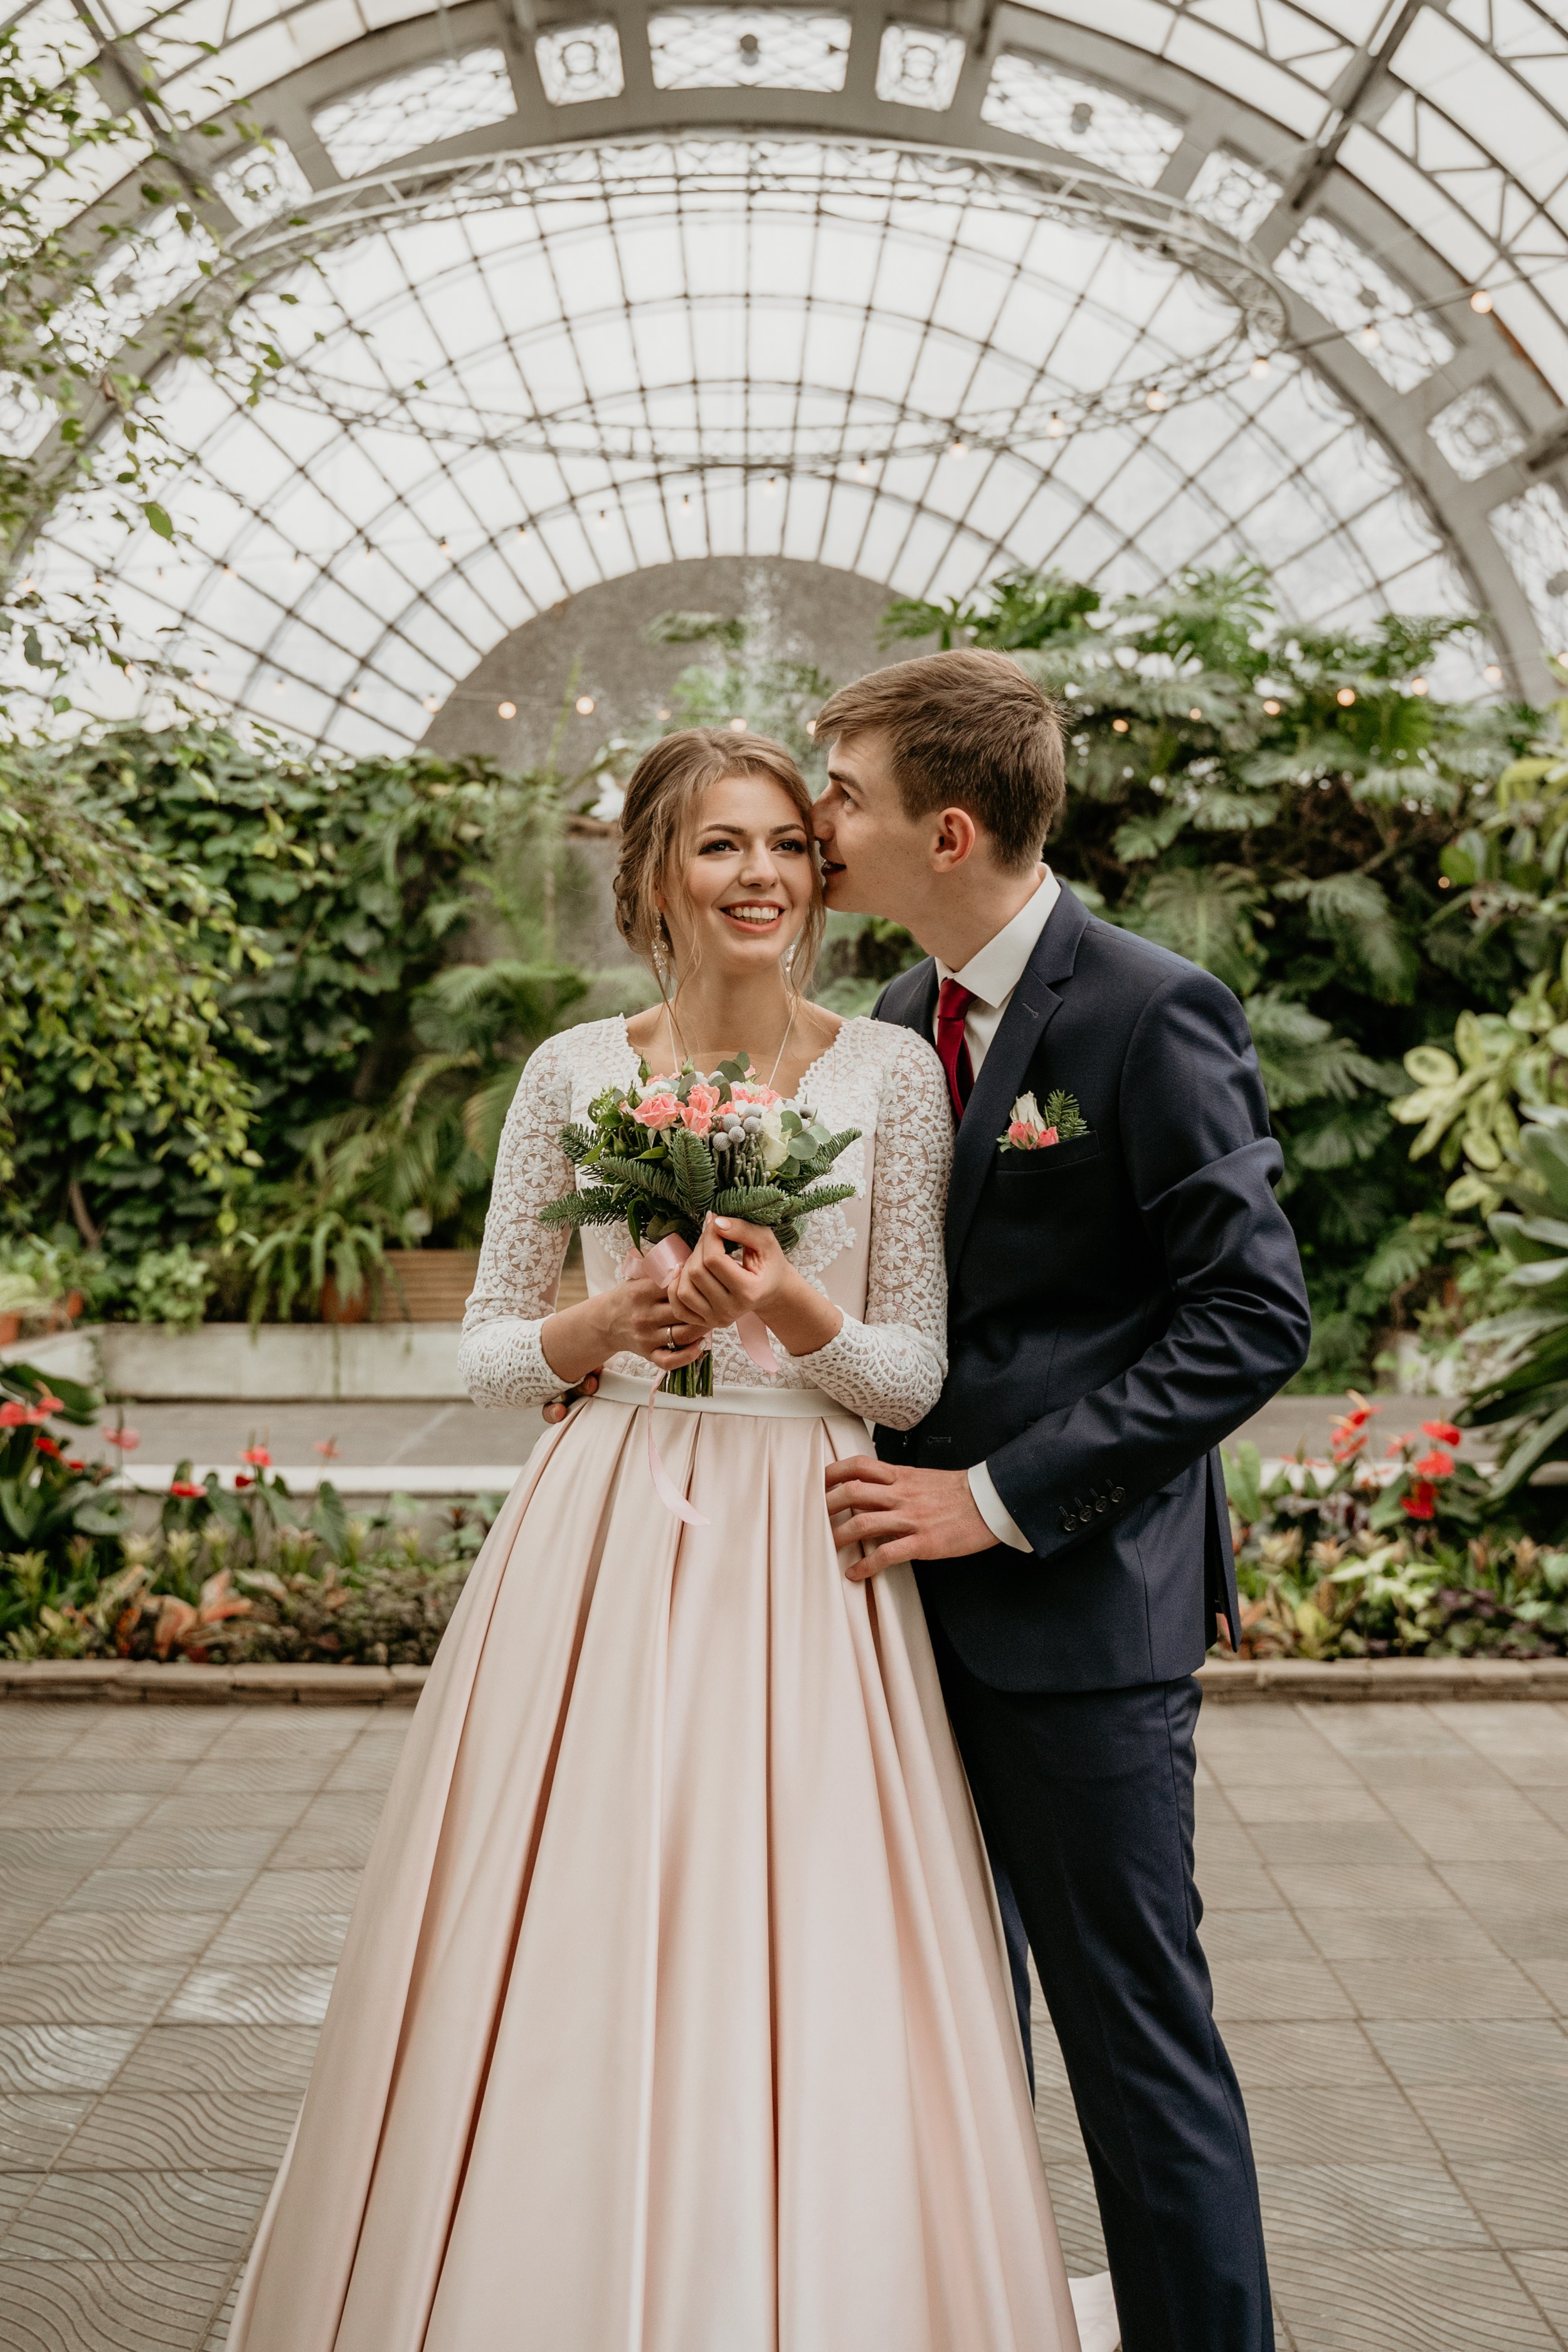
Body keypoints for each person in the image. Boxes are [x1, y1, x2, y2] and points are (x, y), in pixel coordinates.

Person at [225, 726, 1089, 2352]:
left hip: (806, 1546)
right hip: (609, 1529)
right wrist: (607, 1322)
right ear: (650, 879)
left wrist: (779, 1297)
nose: (759, 873)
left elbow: (908, 1371)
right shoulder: (571, 1073)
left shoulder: (888, 1071)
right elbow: (488, 1351)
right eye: (717, 847)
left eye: (781, 842)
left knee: (805, 1916)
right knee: (577, 1903)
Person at [812, 649, 1313, 2352]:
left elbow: (1250, 1315)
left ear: (944, 832)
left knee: (1129, 2034)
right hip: (881, 1622)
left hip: (1080, 1619)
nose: (820, 827)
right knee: (933, 2027)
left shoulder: (1145, 1006)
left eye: (845, 798)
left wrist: (1002, 1500)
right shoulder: (890, 1023)